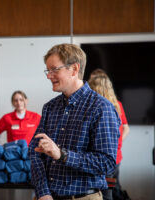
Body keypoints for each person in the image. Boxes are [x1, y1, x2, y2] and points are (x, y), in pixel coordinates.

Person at [28, 44, 121, 200]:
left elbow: (107, 163)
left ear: (74, 69)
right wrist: (43, 192)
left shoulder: (101, 108)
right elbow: (34, 152)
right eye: (48, 70)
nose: (48, 76)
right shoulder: (50, 107)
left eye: (54, 69)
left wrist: (62, 155)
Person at [88, 71, 130, 200]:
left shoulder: (96, 106)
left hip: (102, 157)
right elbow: (125, 128)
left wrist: (116, 144)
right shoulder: (116, 105)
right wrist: (116, 144)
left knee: (105, 192)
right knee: (111, 190)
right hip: (115, 156)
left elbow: (125, 128)